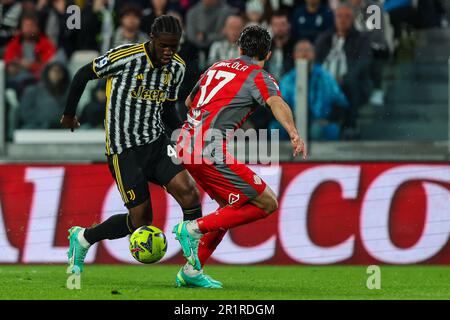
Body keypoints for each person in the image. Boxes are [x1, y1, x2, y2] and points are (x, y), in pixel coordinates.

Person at [61, 16, 220, 287]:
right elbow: (82, 74)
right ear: (152, 39)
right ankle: (83, 238)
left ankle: (192, 269)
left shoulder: (177, 68)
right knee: (141, 221)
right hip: (124, 150)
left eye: (174, 46)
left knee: (190, 195)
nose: (169, 51)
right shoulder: (126, 57)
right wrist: (69, 113)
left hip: (157, 144)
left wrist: (184, 135)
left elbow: (169, 109)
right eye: (164, 45)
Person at [173, 25, 307, 288]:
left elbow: (189, 102)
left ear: (239, 48)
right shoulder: (260, 77)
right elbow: (277, 103)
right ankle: (191, 229)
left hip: (184, 143)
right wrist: (293, 131)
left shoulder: (216, 67)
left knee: (229, 208)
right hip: (208, 149)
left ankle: (191, 270)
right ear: (268, 54)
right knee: (267, 202)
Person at [269, 40, 349, 141]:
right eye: (300, 50)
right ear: (294, 55)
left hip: (320, 122)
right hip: (293, 122)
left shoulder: (325, 77)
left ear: (314, 54)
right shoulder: (287, 80)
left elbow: (340, 103)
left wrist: (328, 119)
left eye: (307, 50)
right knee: (275, 129)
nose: (304, 53)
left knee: (317, 130)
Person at [315, 3, 372, 138]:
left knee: (350, 82)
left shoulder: (361, 39)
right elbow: (315, 61)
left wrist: (342, 78)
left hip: (349, 83)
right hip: (324, 81)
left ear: (353, 19)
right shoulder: (325, 38)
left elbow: (363, 63)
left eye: (347, 16)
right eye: (339, 16)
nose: (342, 19)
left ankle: (349, 125)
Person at [18, 61, 70, 129]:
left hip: (62, 130)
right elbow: (25, 113)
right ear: (47, 72)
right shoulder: (32, 91)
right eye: (54, 70)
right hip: (36, 129)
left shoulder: (68, 94)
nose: (57, 74)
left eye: (61, 71)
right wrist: (45, 123)